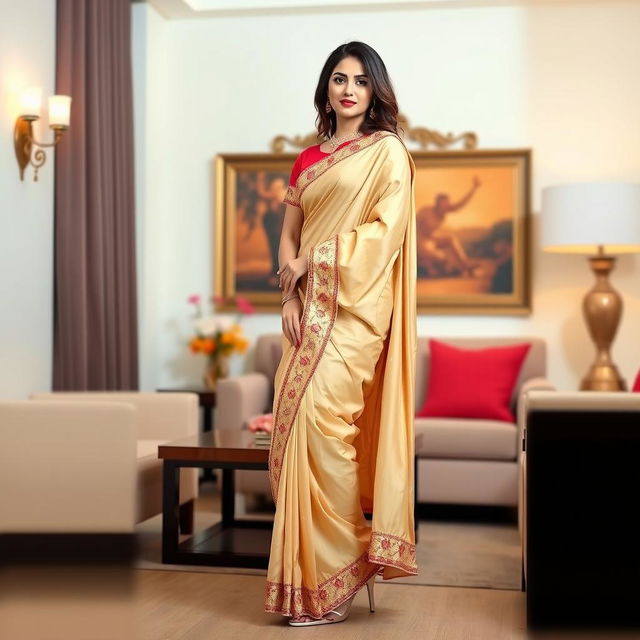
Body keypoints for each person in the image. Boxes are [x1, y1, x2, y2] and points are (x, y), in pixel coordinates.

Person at [264, 41, 417, 627]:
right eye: (338, 79)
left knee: (327, 431)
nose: (348, 89)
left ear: (375, 88)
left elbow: (385, 233)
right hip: (307, 311)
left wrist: (316, 263)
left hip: (355, 312)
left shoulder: (388, 154)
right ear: (325, 89)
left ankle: (343, 563)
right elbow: (289, 234)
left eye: (359, 79)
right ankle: (304, 584)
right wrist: (291, 292)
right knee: (298, 428)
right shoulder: (308, 159)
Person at [416, 177, 481, 277]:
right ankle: (439, 268)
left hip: (431, 240)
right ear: (437, 204)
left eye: (447, 204)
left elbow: (460, 204)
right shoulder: (425, 211)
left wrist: (474, 189)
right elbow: (411, 225)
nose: (446, 207)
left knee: (450, 239)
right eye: (443, 205)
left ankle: (464, 264)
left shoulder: (445, 211)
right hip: (419, 242)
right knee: (441, 258)